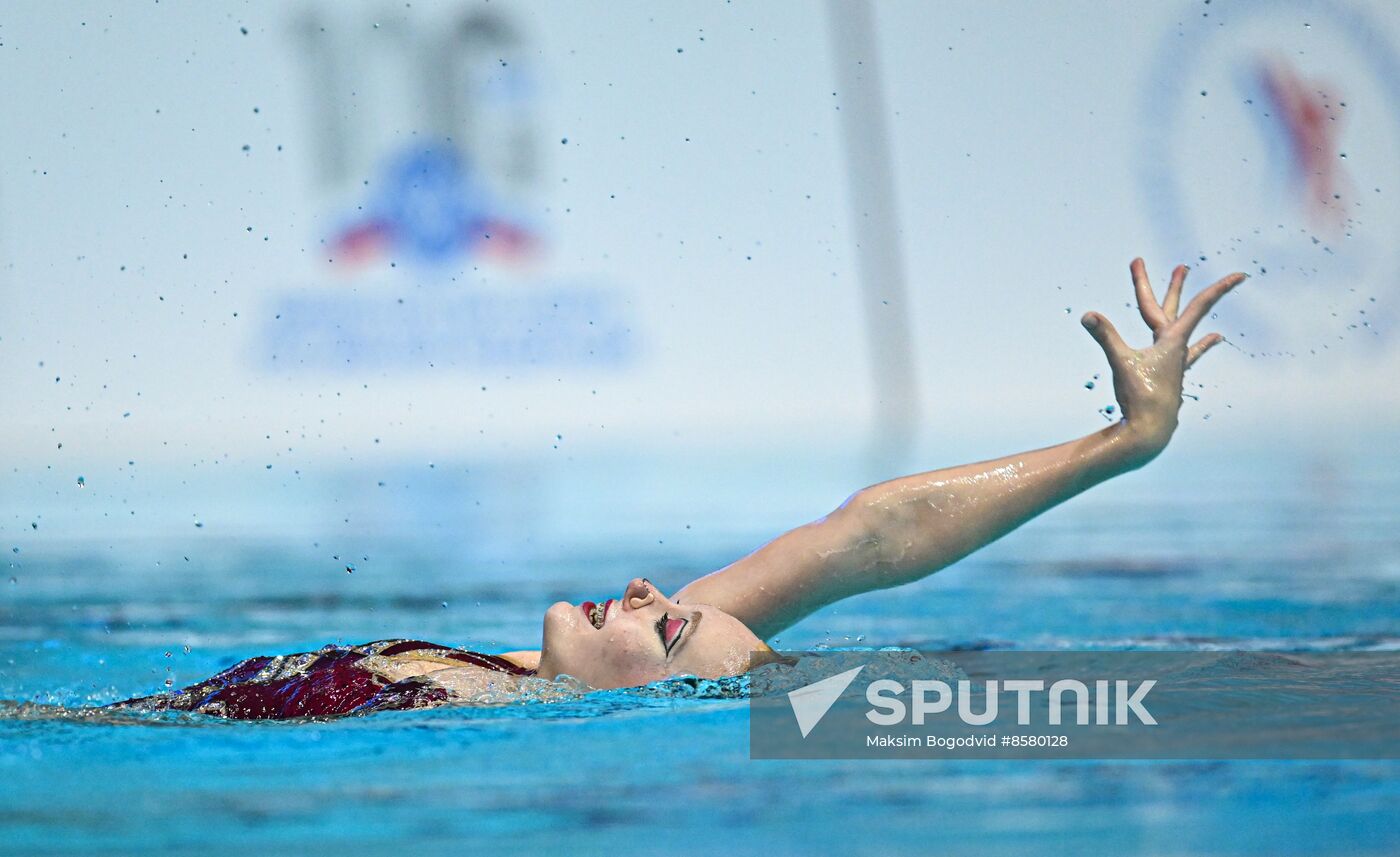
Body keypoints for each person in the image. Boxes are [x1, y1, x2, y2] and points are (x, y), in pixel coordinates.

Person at [110, 258, 1246, 719]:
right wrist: (1122, 444)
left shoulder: (491, 717)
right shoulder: (554, 673)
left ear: (641, 691)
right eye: (675, 603)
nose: (653, 587)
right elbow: (869, 532)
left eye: (666, 621)